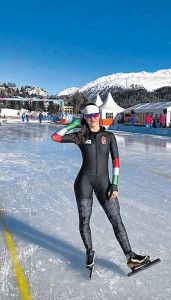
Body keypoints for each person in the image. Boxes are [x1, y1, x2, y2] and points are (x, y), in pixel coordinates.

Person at [51, 103, 149, 270]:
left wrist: (115, 184)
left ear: (99, 115)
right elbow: (56, 137)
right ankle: (89, 251)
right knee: (84, 220)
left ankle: (130, 257)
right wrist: (73, 125)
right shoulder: (80, 136)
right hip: (84, 183)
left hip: (105, 184)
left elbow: (116, 162)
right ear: (85, 118)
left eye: (95, 115)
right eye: (89, 116)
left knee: (116, 220)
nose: (93, 119)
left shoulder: (109, 136)